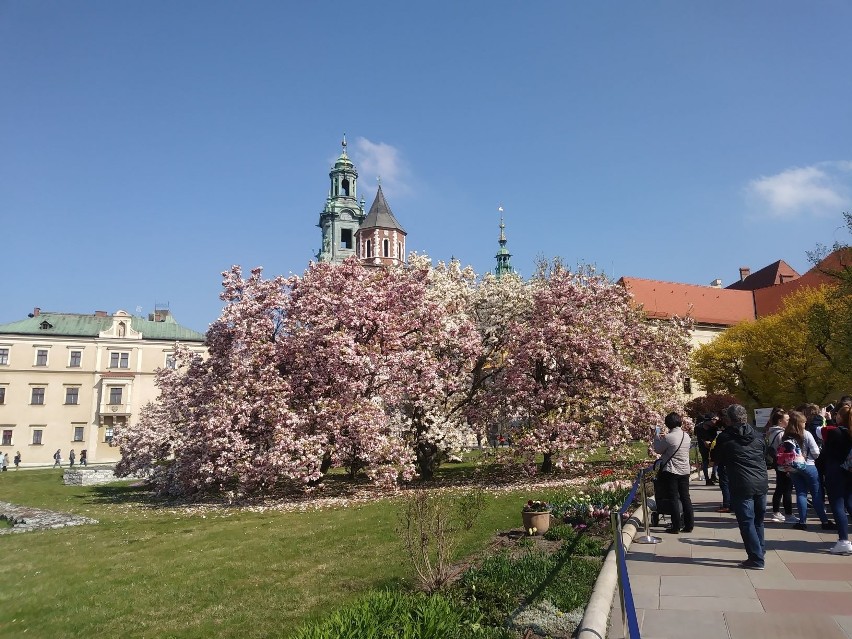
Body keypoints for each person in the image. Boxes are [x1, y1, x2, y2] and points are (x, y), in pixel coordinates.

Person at [711, 404, 769, 570]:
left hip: (741, 482)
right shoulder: (758, 436)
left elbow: (716, 457)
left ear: (729, 419)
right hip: (760, 481)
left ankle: (756, 558)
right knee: (758, 521)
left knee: (747, 522)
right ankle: (759, 551)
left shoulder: (726, 437)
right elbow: (765, 455)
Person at [782, 411, 835, 531]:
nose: (805, 424)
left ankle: (802, 521)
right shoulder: (806, 434)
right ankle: (824, 521)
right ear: (799, 423)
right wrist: (812, 458)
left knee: (801, 493)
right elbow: (816, 452)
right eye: (804, 422)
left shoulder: (786, 435)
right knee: (816, 494)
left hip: (794, 467)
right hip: (809, 465)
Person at [816, 405, 852, 554]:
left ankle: (843, 540)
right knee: (850, 502)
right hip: (849, 470)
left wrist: (822, 417)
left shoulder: (833, 431)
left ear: (839, 417)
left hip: (835, 471)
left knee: (838, 505)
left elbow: (818, 430)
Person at [653, 412, 694, 534]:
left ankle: (675, 526)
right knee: (686, 497)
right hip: (685, 470)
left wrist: (656, 436)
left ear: (668, 424)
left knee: (673, 498)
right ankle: (689, 524)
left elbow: (658, 449)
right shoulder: (686, 436)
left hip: (672, 471)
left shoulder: (669, 437)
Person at [765, 409, 795, 523]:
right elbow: (785, 450)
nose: (789, 421)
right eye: (787, 419)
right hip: (784, 463)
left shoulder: (772, 432)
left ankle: (776, 512)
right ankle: (788, 514)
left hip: (777, 462)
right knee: (787, 489)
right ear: (780, 421)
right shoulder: (782, 433)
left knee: (779, 488)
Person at [695, 413, 718, 485]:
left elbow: (715, 436)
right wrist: (704, 441)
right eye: (714, 419)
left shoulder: (714, 427)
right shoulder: (698, 427)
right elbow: (698, 435)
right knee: (705, 460)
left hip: (713, 443)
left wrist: (711, 442)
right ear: (708, 420)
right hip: (703, 445)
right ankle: (707, 479)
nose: (715, 421)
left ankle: (714, 475)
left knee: (716, 459)